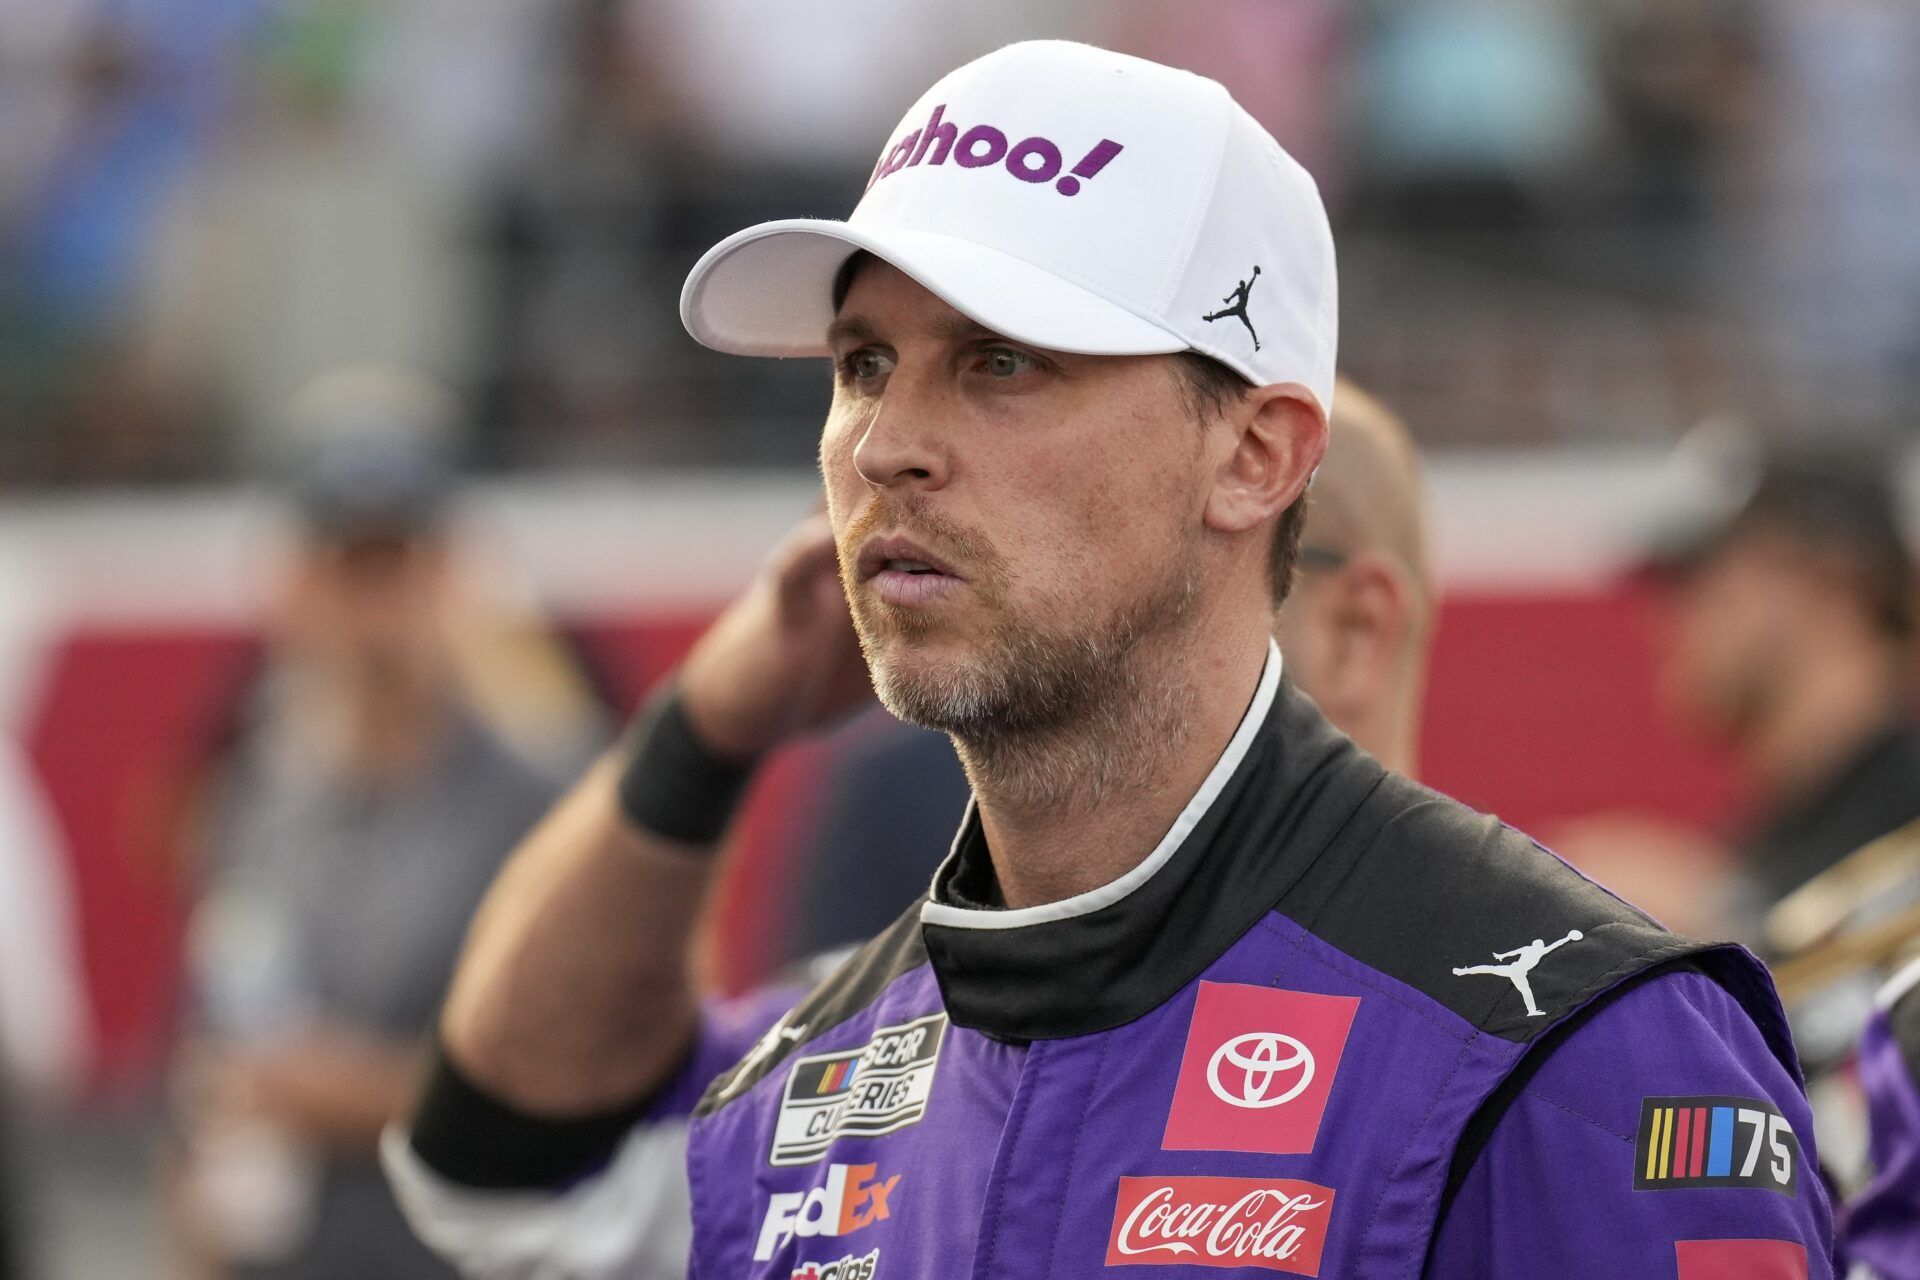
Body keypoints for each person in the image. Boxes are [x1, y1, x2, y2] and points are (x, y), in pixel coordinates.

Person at [390, 41, 1830, 1278]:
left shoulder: (1580, 1056)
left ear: (1255, 455)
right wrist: (703, 727)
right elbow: (487, 1176)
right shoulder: (801, 1093)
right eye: (862, 363)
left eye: (1003, 362)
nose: (886, 445)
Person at [786, 375, 1435, 966]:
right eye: (863, 365)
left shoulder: (1482, 997)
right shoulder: (910, 829)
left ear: (1354, 628)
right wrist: (727, 731)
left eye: (1242, 546)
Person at [165, 368, 563, 1280]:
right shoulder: (260, 793)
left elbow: (584, 1080)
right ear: (299, 577)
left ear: (448, 569)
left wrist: (356, 1093)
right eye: (350, 563)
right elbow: (205, 1057)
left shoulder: (538, 802)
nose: (373, 603)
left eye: (396, 560)